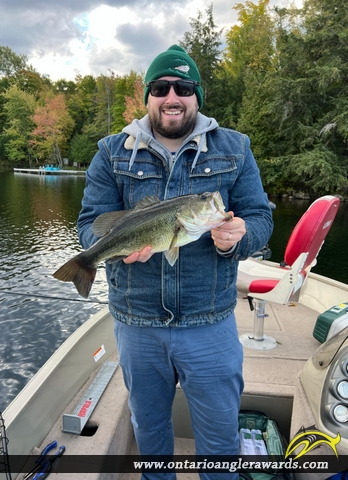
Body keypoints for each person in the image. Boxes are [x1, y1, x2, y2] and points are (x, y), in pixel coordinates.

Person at [78, 45, 273, 479]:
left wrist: (237, 239)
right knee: (149, 432)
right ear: (147, 96)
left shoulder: (235, 148)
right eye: (161, 87)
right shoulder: (111, 152)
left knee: (220, 440)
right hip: (137, 322)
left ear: (197, 95)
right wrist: (106, 243)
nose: (172, 96)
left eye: (183, 87)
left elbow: (260, 216)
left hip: (209, 322)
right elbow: (91, 223)